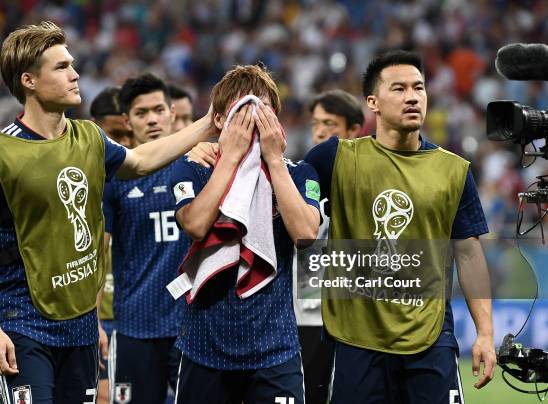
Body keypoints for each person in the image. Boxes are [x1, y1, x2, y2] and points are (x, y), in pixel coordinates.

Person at [0, 21, 212, 403]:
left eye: (72, 64)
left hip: (81, 325)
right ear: (28, 80)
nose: (75, 74)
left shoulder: (89, 137)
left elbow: (140, 160)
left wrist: (209, 122)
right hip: (22, 322)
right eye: (61, 67)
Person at [304, 50, 495, 403]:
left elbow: (469, 253)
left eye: (419, 87)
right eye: (399, 88)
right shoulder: (335, 158)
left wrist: (485, 333)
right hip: (355, 340)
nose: (412, 96)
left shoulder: (454, 171)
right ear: (372, 102)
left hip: (430, 338)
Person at [169, 64, 321, 404]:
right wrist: (230, 158)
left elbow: (306, 234)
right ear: (220, 120)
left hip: (275, 351)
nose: (253, 119)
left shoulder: (300, 173)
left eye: (263, 110)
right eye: (242, 109)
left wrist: (275, 160)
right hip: (203, 348)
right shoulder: (193, 166)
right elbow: (194, 224)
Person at [103, 73, 191, 404]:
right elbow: (99, 253)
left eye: (158, 110)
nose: (152, 119)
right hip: (135, 328)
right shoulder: (115, 179)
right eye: (141, 113)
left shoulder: (198, 167)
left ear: (172, 112)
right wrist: (96, 322)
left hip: (191, 326)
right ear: (127, 121)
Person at [296, 89, 365, 404]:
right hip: (306, 313)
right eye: (316, 123)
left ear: (354, 131)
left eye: (330, 124)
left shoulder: (367, 184)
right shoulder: (298, 178)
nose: (320, 131)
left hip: (353, 314)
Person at [89, 86, 133, 404]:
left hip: (136, 318)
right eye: (115, 134)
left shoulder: (148, 177)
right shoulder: (79, 184)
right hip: (95, 318)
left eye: (128, 134)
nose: (124, 145)